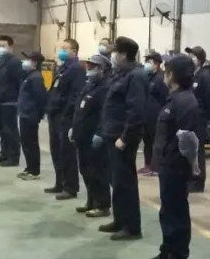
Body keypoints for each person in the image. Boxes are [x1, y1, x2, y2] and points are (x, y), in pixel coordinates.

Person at [144, 54, 204, 259]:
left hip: (176, 166)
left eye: (167, 72)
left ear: (172, 75)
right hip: (167, 164)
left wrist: (192, 165)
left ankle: (177, 257)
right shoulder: (175, 98)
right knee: (167, 210)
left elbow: (188, 139)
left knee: (176, 213)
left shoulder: (185, 102)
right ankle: (167, 250)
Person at [96, 36, 147, 240]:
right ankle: (119, 220)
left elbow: (136, 111)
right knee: (116, 181)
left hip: (122, 138)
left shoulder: (136, 76)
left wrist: (125, 138)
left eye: (115, 52)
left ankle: (131, 227)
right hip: (112, 135)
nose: (112, 55)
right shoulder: (121, 74)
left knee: (125, 182)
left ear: (124, 55)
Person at [70, 53, 112, 218]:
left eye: (93, 66)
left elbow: (105, 114)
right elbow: (79, 110)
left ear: (102, 69)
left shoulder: (105, 88)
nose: (89, 69)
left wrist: (100, 133)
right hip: (82, 135)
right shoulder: (89, 86)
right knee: (86, 170)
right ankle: (91, 200)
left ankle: (102, 205)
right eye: (89, 65)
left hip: (93, 137)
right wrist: (73, 128)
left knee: (97, 172)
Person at [45, 38, 85, 200]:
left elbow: (75, 95)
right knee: (56, 150)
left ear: (73, 51)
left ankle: (70, 187)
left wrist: (66, 114)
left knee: (66, 152)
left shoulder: (77, 68)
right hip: (55, 114)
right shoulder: (63, 68)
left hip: (65, 116)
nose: (61, 51)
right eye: (61, 48)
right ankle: (60, 182)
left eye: (65, 48)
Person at [185, 46, 210, 193]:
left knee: (198, 150)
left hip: (200, 118)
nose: (190, 58)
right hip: (191, 117)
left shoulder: (204, 76)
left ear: (199, 59)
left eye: (193, 56)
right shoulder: (193, 75)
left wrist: (207, 116)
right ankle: (191, 178)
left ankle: (198, 181)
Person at [0, 35, 23, 167]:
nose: (1, 48)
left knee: (10, 130)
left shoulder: (14, 62)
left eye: (4, 46)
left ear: (11, 47)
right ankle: (4, 154)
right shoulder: (0, 61)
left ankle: (13, 157)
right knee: (2, 130)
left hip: (10, 101)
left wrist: (16, 98)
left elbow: (18, 81)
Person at [16, 51, 48, 180]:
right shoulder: (29, 75)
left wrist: (38, 114)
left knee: (31, 143)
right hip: (25, 113)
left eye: (28, 59)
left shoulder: (36, 78)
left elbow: (40, 98)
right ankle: (29, 167)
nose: (25, 62)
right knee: (26, 143)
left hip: (31, 115)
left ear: (34, 63)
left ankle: (34, 171)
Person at [140, 50, 168, 176]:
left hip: (156, 116)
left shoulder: (160, 78)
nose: (146, 64)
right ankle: (147, 164)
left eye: (149, 61)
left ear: (156, 63)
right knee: (147, 141)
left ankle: (155, 167)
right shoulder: (147, 77)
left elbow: (165, 97)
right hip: (146, 116)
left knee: (155, 142)